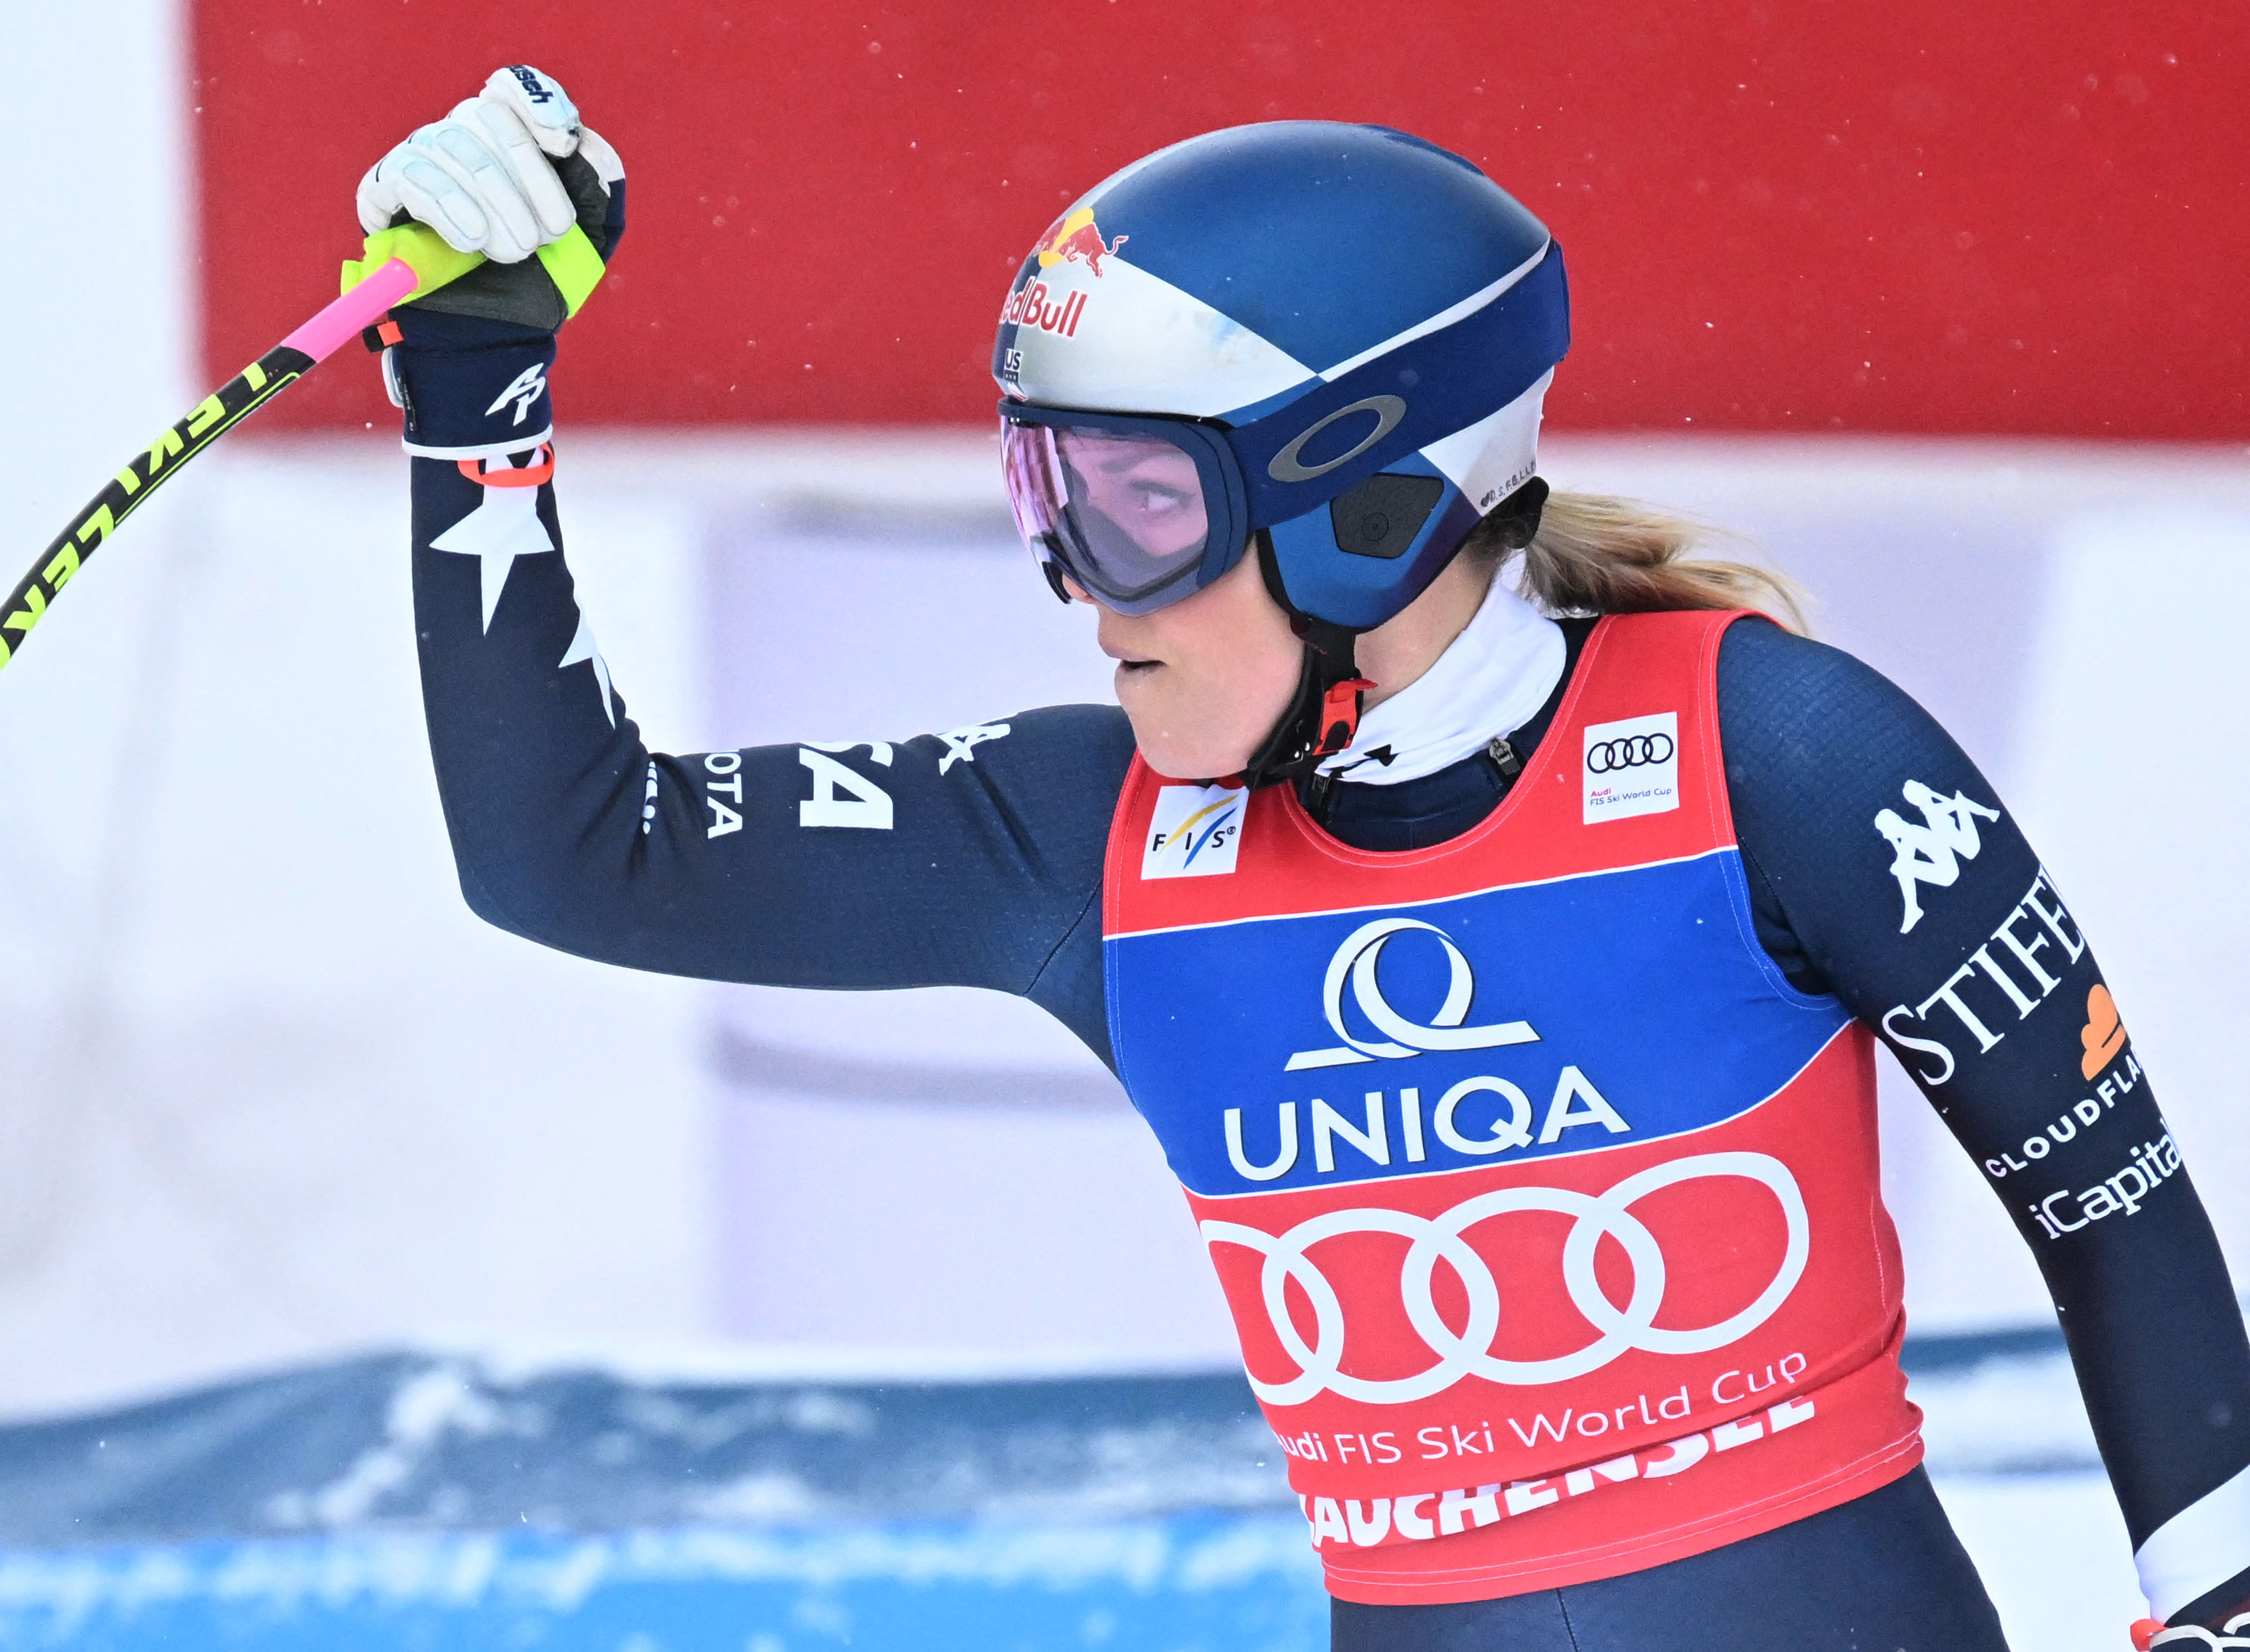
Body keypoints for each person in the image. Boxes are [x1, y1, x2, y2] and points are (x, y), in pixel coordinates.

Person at [364, 67, 2250, 1651]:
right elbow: (571, 852)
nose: (1074, 583)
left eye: (1136, 503)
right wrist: (475, 390)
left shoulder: (1776, 750)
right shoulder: (1076, 841)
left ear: (1369, 505)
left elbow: (2119, 1225)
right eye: (1049, 492)